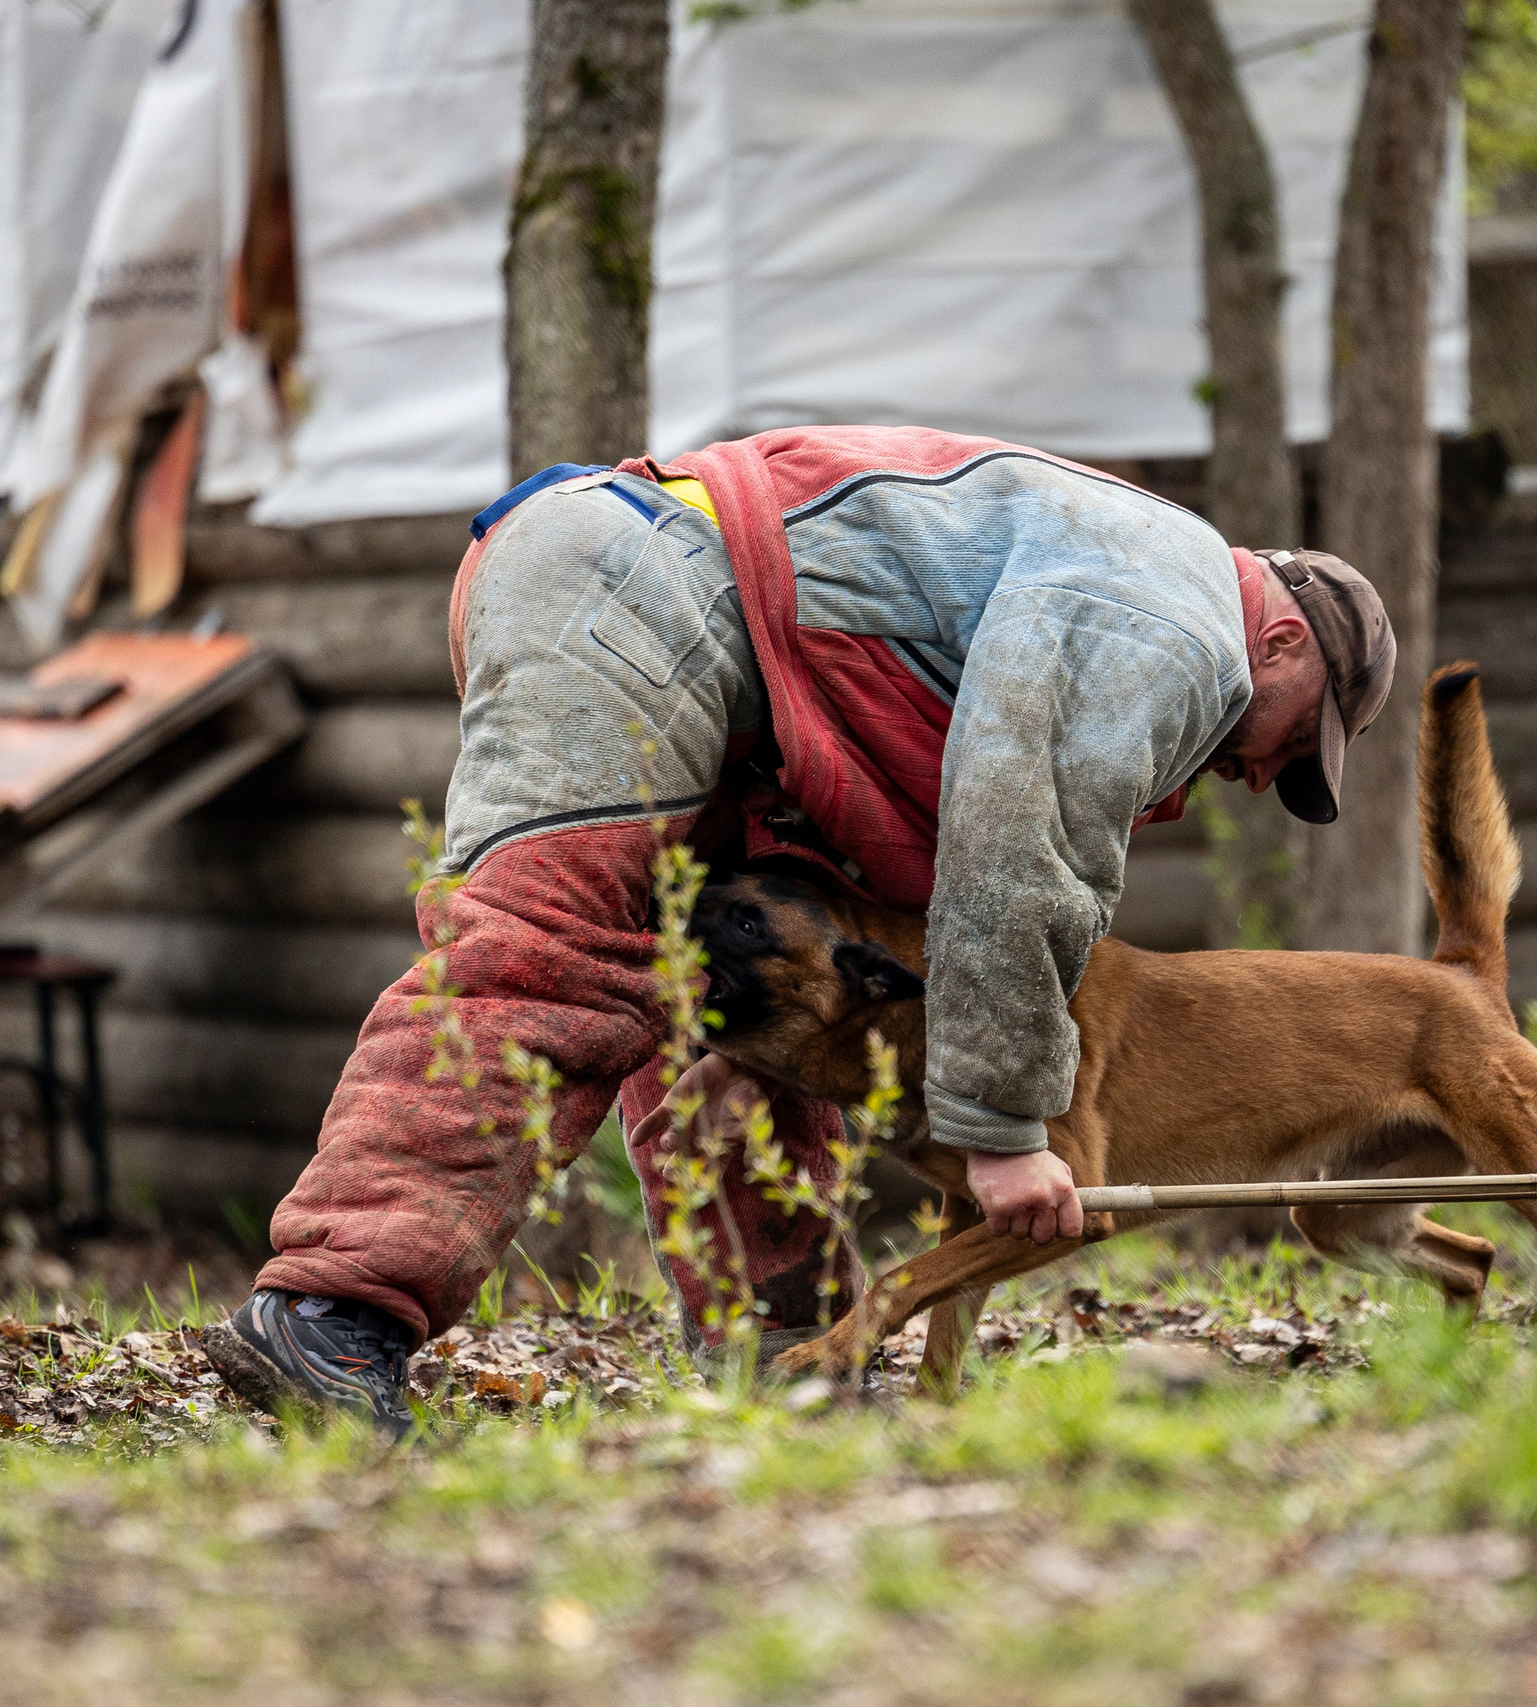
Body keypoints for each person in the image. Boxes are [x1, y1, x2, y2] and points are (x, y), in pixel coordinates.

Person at [202, 426, 1394, 1432]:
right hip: (643, 590)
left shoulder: (1135, 564)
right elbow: (1022, 846)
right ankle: (334, 1312)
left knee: (750, 996)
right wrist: (1001, 1129)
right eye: (1293, 741)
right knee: (546, 960)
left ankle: (777, 1343)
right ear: (1280, 643)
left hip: (655, 602)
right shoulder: (1174, 621)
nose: (1258, 774)